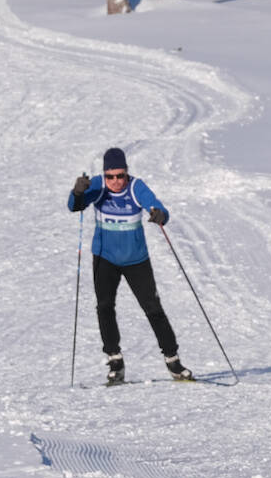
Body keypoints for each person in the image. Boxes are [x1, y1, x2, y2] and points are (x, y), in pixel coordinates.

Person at [67, 147, 194, 385]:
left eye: (120, 175)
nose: (115, 181)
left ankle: (173, 361)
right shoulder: (97, 185)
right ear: (105, 175)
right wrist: (77, 191)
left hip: (136, 260)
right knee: (104, 307)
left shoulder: (136, 187)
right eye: (111, 176)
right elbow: (75, 206)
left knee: (153, 309)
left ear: (127, 173)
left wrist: (159, 215)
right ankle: (115, 361)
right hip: (105, 258)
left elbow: (157, 207)